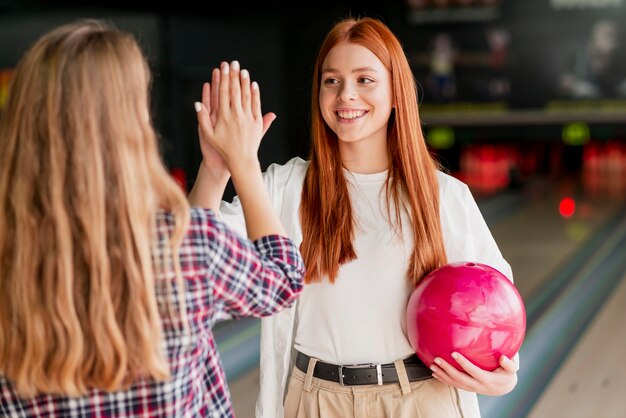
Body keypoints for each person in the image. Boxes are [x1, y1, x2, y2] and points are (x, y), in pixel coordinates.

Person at [191, 16, 519, 418]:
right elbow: (192, 253)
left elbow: (495, 307)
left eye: (365, 79)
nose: (346, 94)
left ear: (396, 92)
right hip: (315, 401)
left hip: (420, 400)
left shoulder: (444, 196)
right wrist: (214, 169)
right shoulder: (285, 186)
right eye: (332, 80)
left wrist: (505, 373)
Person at [0, 20, 304, 418]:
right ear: (128, 125)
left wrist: (213, 174)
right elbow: (282, 280)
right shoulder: (186, 248)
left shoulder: (11, 259)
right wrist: (244, 164)